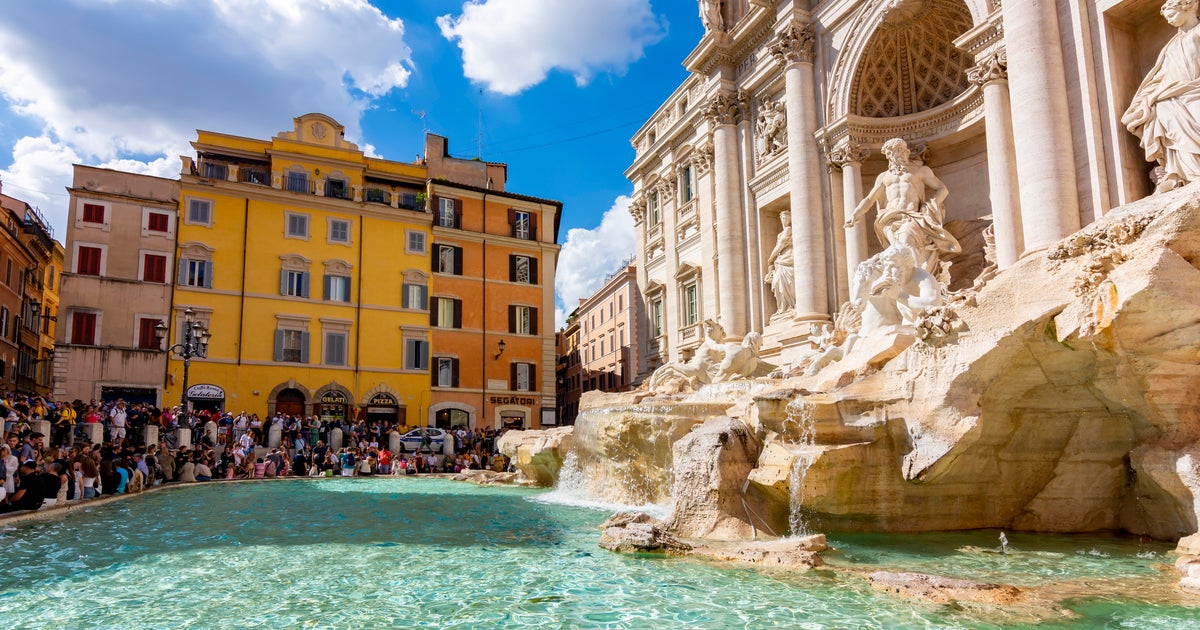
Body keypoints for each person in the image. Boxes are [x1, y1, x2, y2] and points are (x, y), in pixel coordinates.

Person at [846, 137, 961, 276]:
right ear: (888, 155)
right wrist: (855, 214)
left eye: (901, 151)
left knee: (905, 240)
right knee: (898, 251)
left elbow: (942, 189)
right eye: (894, 152)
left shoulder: (920, 171)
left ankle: (919, 277)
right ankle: (905, 281)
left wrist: (930, 205)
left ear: (907, 152)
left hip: (911, 216)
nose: (899, 154)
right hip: (888, 218)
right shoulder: (883, 177)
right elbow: (870, 199)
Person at [764, 211, 795, 317]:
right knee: (777, 282)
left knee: (783, 281)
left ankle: (790, 305)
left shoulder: (788, 230)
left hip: (788, 257)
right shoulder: (780, 234)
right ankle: (783, 308)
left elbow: (781, 244)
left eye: (786, 218)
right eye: (782, 218)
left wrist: (771, 258)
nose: (784, 220)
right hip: (781, 260)